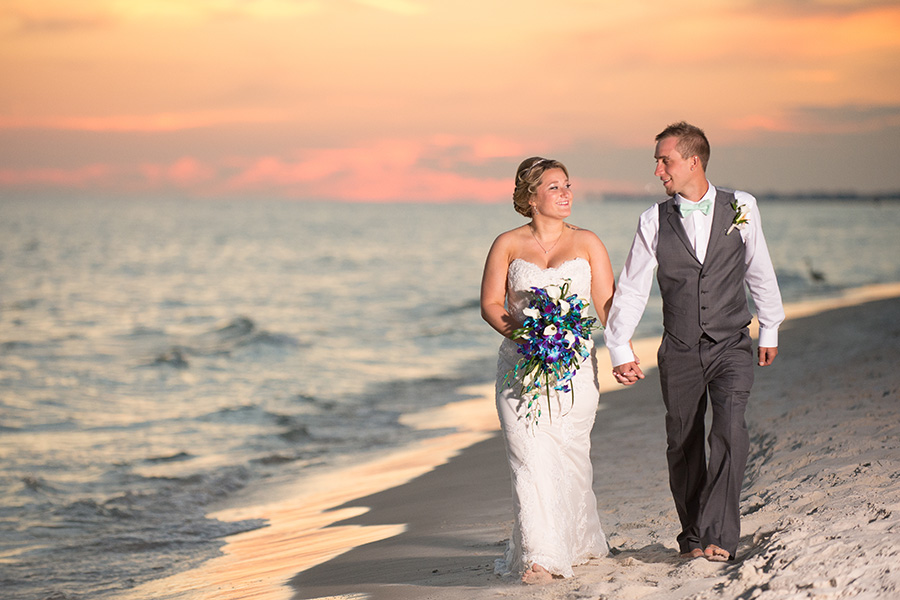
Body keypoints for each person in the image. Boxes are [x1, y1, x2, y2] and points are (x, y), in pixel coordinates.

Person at [604, 122, 785, 562]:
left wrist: (771, 325)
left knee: (729, 431)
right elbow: (631, 288)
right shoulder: (652, 220)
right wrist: (619, 346)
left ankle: (720, 533)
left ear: (693, 161)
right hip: (680, 348)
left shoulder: (741, 207)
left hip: (731, 344)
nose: (658, 171)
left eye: (664, 161)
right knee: (682, 442)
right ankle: (691, 535)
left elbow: (758, 267)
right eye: (657, 162)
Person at [480, 157, 615, 584]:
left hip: (574, 370)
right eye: (555, 187)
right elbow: (490, 305)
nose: (566, 193)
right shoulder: (507, 244)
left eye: (568, 185)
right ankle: (542, 556)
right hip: (519, 370)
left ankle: (573, 542)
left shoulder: (588, 242)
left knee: (570, 456)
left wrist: (624, 353)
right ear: (530, 196)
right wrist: (527, 337)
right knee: (529, 455)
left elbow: (607, 306)